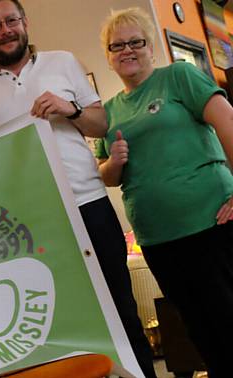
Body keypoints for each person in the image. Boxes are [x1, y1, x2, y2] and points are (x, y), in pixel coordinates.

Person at [0, 1, 156, 376]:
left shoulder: (63, 61)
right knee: (62, 327)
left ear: (25, 23)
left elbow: (100, 124)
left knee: (122, 312)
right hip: (27, 224)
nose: (5, 30)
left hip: (88, 205)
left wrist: (70, 108)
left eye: (11, 21)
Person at [97, 7, 233, 377]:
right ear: (108, 57)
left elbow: (227, 121)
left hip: (209, 223)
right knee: (200, 330)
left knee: (227, 319)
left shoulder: (179, 76)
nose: (127, 50)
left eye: (136, 42)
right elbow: (106, 175)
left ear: (151, 47)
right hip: (157, 238)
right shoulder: (107, 113)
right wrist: (115, 164)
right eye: (117, 45)